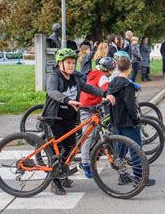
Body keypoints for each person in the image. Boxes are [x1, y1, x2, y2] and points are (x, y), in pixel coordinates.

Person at [42, 48, 115, 195]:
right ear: (60, 63)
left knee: (69, 149)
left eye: (73, 63)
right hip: (55, 118)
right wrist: (68, 100)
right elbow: (52, 92)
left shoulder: (75, 78)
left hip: (69, 118)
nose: (71, 65)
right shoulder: (54, 77)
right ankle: (55, 183)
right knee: (57, 152)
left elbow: (88, 87)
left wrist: (105, 94)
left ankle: (62, 176)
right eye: (68, 62)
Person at [108, 56, 156, 187]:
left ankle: (123, 175)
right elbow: (130, 106)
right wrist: (136, 120)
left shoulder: (112, 83)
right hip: (128, 122)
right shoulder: (128, 85)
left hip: (117, 121)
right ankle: (139, 178)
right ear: (129, 68)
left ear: (117, 68)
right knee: (135, 149)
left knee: (120, 150)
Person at [78, 57, 116, 178]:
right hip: (87, 108)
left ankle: (92, 155)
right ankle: (84, 164)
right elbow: (106, 87)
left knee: (95, 133)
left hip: (93, 106)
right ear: (106, 69)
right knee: (87, 137)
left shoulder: (94, 72)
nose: (111, 72)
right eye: (111, 70)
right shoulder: (102, 76)